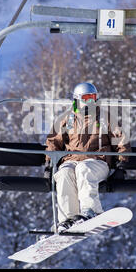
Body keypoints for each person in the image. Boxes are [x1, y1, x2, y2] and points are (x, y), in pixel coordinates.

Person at [45, 82, 131, 232]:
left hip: (97, 161)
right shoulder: (67, 118)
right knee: (64, 174)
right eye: (87, 98)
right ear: (77, 99)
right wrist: (49, 164)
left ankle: (91, 211)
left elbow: (121, 140)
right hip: (72, 160)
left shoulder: (104, 118)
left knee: (84, 169)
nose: (91, 102)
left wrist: (121, 166)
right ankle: (68, 219)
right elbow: (53, 142)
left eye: (93, 98)